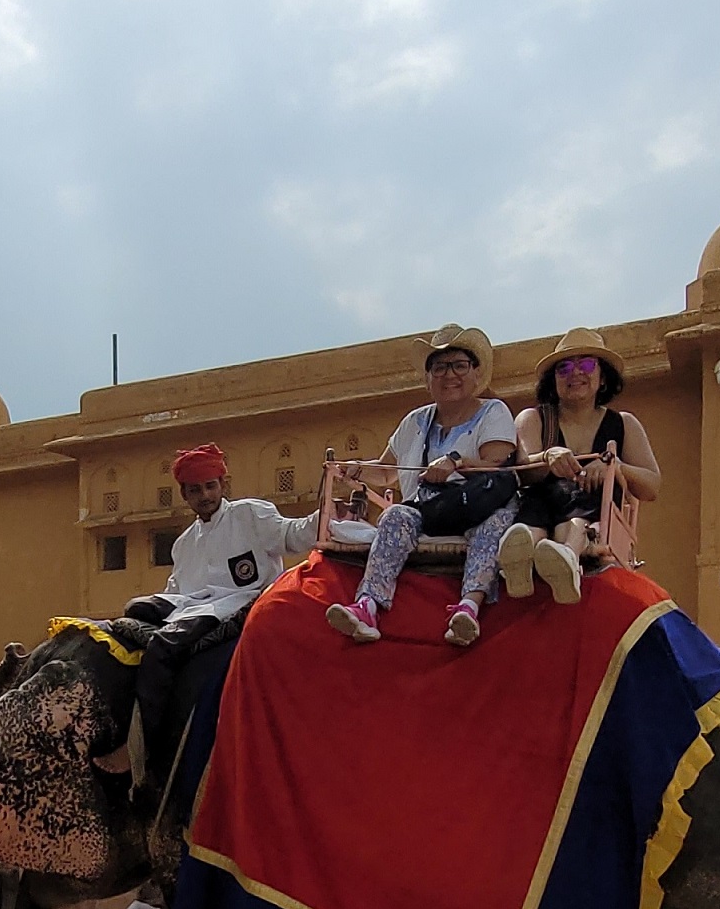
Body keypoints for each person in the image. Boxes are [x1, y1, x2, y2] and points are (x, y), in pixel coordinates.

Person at [128, 443, 320, 780]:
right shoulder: (184, 542)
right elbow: (177, 590)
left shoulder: (249, 514)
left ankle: (144, 748)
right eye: (195, 490)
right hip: (191, 604)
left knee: (164, 646)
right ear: (184, 494)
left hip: (238, 603)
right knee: (134, 611)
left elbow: (293, 535)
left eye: (210, 486)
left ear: (222, 485)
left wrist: (329, 514)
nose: (204, 495)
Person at [325, 325, 519, 649]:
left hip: (478, 504)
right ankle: (368, 606)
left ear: (475, 373)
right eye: (439, 367)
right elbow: (388, 472)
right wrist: (356, 468)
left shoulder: (492, 412)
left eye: (459, 365)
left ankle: (468, 607)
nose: (449, 375)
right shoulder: (416, 421)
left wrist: (454, 461)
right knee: (394, 516)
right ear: (428, 378)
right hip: (430, 509)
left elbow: (497, 460)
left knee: (494, 521)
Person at [501, 327, 661, 604]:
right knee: (534, 513)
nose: (575, 373)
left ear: (602, 378)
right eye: (563, 368)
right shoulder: (534, 419)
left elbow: (651, 485)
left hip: (589, 515)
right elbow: (520, 471)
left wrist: (614, 466)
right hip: (541, 506)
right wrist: (548, 457)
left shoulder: (623, 424)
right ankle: (523, 562)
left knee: (582, 506)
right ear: (553, 381)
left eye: (586, 364)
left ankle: (566, 558)